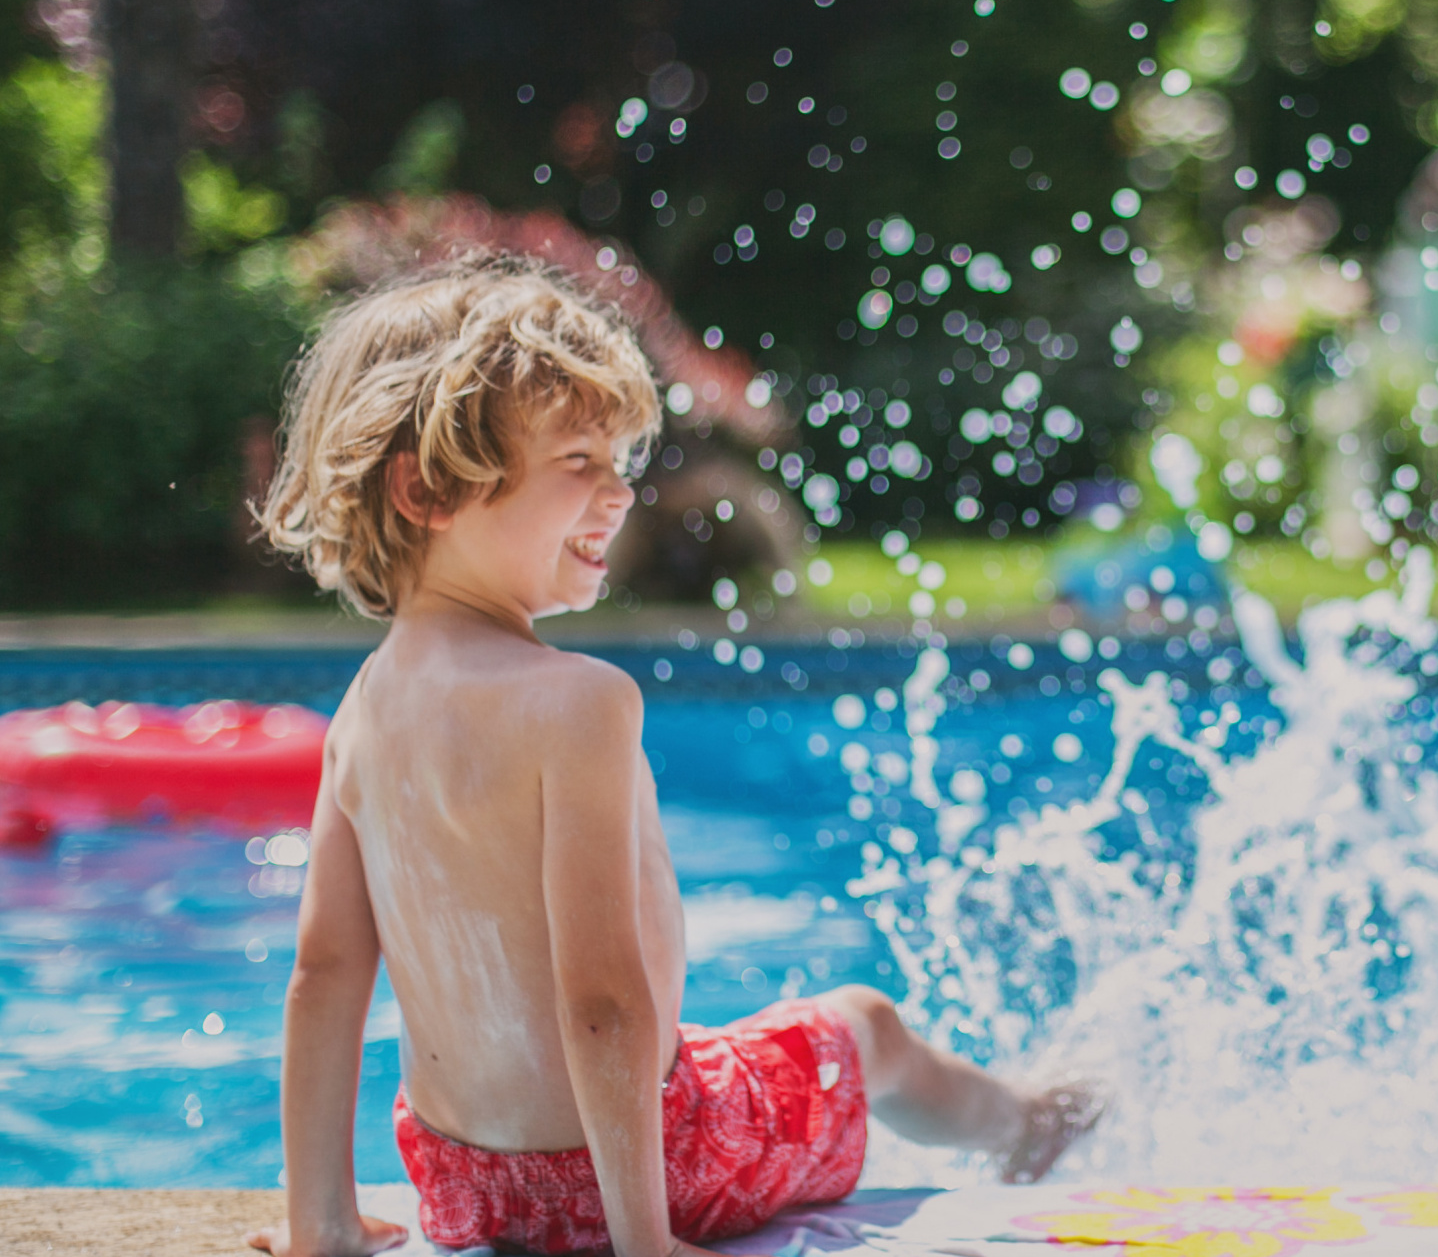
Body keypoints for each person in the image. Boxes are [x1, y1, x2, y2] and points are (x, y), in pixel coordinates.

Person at [244, 257, 1096, 1257]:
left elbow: (324, 972)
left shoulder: (363, 710)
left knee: (728, 1046)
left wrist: (322, 1225)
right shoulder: (578, 702)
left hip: (463, 1184)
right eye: (577, 464)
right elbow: (602, 1001)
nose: (619, 495)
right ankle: (1031, 1129)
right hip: (663, 1166)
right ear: (428, 487)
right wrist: (645, 1245)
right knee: (864, 1023)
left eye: (620, 464)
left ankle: (331, 1222)